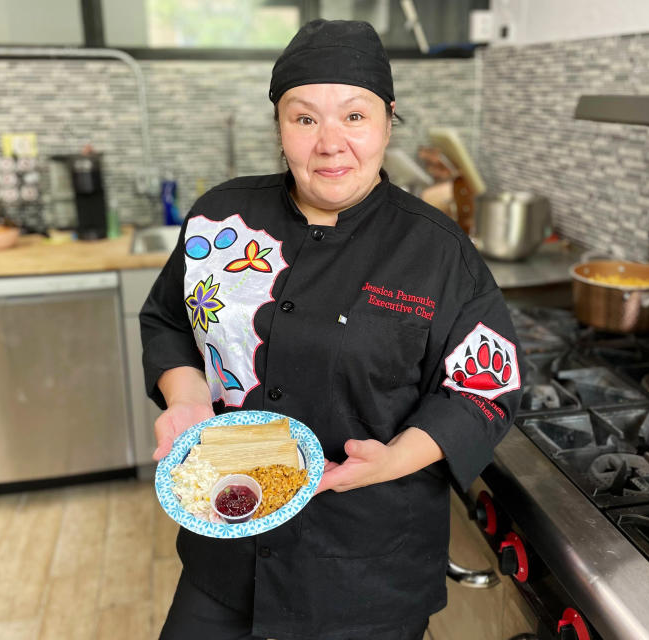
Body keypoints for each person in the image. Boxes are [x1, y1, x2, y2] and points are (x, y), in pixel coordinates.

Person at [140, 19, 521, 640]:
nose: (330, 143)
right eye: (304, 118)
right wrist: (185, 399)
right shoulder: (220, 219)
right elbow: (168, 318)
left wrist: (395, 457)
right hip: (228, 544)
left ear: (389, 120)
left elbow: (485, 391)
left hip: (366, 570)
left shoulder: (436, 250)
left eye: (354, 116)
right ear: (280, 126)